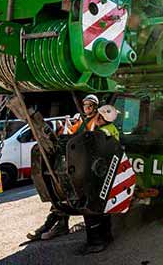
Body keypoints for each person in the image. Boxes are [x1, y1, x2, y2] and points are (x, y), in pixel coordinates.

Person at [26, 94, 101, 241]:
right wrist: (62, 128)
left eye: (90, 105)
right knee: (62, 192)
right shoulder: (82, 119)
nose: (87, 108)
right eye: (85, 105)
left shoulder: (97, 120)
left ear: (95, 107)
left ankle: (59, 225)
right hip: (75, 158)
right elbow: (71, 132)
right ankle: (55, 224)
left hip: (85, 163)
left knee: (72, 192)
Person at [78, 104, 122, 255]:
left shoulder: (101, 133)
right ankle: (107, 236)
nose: (95, 117)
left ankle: (96, 242)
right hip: (108, 171)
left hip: (99, 174)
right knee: (104, 207)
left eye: (98, 116)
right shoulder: (112, 129)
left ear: (102, 119)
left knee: (91, 208)